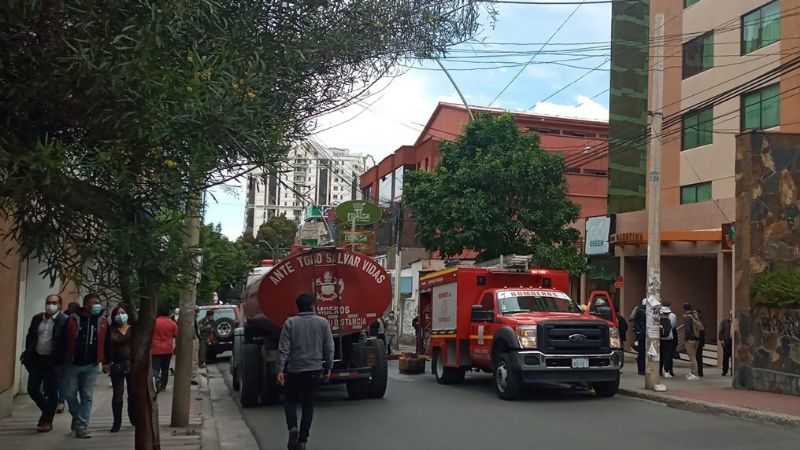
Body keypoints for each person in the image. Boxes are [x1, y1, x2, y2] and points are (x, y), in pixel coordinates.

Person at [277, 293, 334, 450]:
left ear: (298, 307)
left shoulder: (290, 323)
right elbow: (329, 347)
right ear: (313, 306)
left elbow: (283, 348)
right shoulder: (323, 323)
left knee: (289, 400)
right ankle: (302, 440)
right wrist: (328, 367)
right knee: (308, 405)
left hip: (295, 369)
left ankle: (292, 427)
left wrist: (280, 369)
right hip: (314, 370)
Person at [63, 293, 109, 438]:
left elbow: (107, 342)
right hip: (73, 364)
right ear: (86, 304)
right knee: (69, 395)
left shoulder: (102, 321)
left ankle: (82, 425)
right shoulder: (73, 319)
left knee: (87, 396)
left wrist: (106, 361)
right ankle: (77, 416)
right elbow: (63, 339)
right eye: (93, 303)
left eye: (98, 303)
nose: (96, 305)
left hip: (92, 365)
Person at [21, 294, 68, 433]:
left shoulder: (64, 320)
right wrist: (27, 354)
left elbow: (67, 342)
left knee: (51, 391)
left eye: (54, 303)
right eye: (48, 302)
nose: (50, 305)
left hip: (53, 361)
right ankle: (47, 410)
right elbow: (30, 336)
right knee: (32, 389)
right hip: (36, 359)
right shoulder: (37, 318)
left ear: (60, 305)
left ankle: (47, 420)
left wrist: (62, 362)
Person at [104, 305, 135, 432]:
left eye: (123, 312)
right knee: (117, 394)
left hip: (133, 363)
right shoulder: (111, 330)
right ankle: (117, 422)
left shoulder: (133, 329)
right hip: (117, 364)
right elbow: (106, 347)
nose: (120, 315)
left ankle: (133, 418)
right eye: (118, 313)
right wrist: (106, 362)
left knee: (133, 393)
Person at [56, 301, 83, 414]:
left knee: (61, 378)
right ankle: (62, 401)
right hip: (71, 355)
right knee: (66, 379)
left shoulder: (63, 317)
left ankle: (61, 401)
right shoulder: (76, 319)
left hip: (64, 354)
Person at [152, 305, 179, 393]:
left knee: (156, 368)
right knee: (165, 368)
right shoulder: (172, 323)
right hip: (167, 349)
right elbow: (176, 334)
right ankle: (163, 386)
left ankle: (156, 381)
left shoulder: (154, 322)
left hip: (155, 349)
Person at [683, 303, 702, 381]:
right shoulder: (694, 315)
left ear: (684, 309)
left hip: (690, 340)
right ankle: (692, 372)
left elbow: (687, 330)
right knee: (694, 356)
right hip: (697, 339)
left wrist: (687, 338)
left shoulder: (687, 317)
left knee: (692, 358)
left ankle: (695, 374)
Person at [658, 302, 677, 378]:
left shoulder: (658, 315)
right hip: (669, 338)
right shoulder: (672, 315)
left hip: (659, 338)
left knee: (660, 355)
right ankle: (667, 370)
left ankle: (659, 370)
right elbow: (673, 326)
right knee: (668, 355)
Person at [632, 299, 646, 375]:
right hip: (643, 334)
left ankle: (640, 369)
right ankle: (642, 369)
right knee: (643, 352)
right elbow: (643, 324)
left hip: (639, 333)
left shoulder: (637, 311)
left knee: (640, 352)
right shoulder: (644, 312)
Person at [719, 310, 733, 376]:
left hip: (734, 341)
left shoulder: (736, 322)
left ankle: (733, 370)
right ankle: (724, 370)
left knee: (733, 356)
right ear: (730, 315)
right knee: (726, 356)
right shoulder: (725, 321)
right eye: (731, 314)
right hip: (726, 340)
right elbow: (721, 331)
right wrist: (721, 339)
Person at [695, 308, 706, 377]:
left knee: (698, 357)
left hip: (699, 341)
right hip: (699, 341)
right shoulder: (699, 320)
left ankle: (699, 372)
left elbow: (701, 332)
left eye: (695, 313)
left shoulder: (699, 321)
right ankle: (699, 372)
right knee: (698, 357)